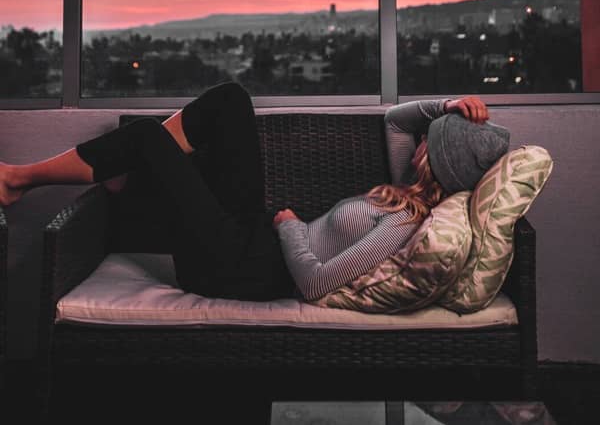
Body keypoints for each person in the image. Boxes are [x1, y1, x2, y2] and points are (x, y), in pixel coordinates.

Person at [0, 82, 509, 303]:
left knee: (144, 138)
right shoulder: (405, 187)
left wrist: (289, 227)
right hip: (250, 237)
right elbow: (398, 120)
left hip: (241, 268)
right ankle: (135, 179)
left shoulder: (404, 224)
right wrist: (448, 104)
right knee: (229, 102)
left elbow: (314, 283)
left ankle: (17, 180)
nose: (421, 140)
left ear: (435, 162)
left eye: (432, 141)